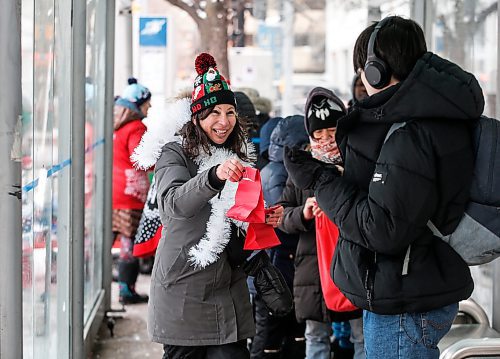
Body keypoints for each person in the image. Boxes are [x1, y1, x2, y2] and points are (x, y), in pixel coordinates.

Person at [283, 16, 483, 359]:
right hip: (413, 288)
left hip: (404, 300)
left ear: (374, 70)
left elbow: (382, 229)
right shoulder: (428, 120)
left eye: (364, 68)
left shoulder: (409, 133)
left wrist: (319, 179)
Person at [134, 53, 282, 359]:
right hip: (184, 292)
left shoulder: (237, 154)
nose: (224, 121)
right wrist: (213, 176)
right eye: (214, 113)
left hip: (227, 291)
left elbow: (236, 217)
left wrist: (262, 218)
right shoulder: (173, 152)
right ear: (197, 117)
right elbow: (173, 204)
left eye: (230, 112)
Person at [278, 88, 364, 359]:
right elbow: (280, 215)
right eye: (319, 135)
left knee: (363, 336)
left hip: (355, 265)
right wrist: (302, 214)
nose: (326, 141)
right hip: (313, 270)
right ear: (310, 136)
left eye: (331, 133)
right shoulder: (302, 169)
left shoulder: (359, 163)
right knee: (316, 339)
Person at [250, 115, 308, 359]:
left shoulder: (273, 169)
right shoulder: (279, 173)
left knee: (279, 329)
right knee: (269, 332)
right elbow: (280, 219)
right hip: (275, 267)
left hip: (277, 264)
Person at [112, 77, 152, 304]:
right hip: (130, 194)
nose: (150, 107)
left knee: (118, 239)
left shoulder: (116, 125)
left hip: (114, 191)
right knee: (129, 242)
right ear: (138, 103)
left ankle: (124, 288)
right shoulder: (135, 127)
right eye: (147, 102)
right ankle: (126, 291)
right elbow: (142, 160)